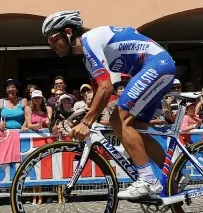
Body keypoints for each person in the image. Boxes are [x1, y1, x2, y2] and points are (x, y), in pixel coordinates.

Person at [42, 10, 175, 199]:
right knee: (137, 129)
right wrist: (86, 115)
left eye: (53, 39)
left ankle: (148, 180)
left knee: (118, 120)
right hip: (157, 66)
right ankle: (174, 174)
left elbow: (106, 88)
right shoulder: (87, 57)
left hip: (156, 64)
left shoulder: (89, 41)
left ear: (68, 32)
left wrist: (87, 123)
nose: (51, 45)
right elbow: (98, 90)